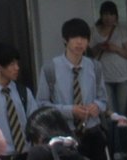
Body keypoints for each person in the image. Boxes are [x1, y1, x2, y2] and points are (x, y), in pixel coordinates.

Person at [35, 19, 109, 160]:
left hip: (92, 131)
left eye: (84, 38)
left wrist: (97, 107)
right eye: (75, 37)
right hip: (64, 134)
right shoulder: (50, 68)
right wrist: (70, 111)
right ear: (65, 40)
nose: (80, 42)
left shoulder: (95, 67)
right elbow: (42, 105)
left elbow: (103, 99)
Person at [89, 3, 127, 121]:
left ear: (116, 16)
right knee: (109, 113)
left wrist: (115, 48)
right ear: (101, 15)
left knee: (122, 113)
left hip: (123, 76)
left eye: (111, 14)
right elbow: (89, 54)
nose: (108, 18)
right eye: (105, 14)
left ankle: (121, 139)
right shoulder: (93, 31)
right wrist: (99, 47)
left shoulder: (122, 30)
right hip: (104, 77)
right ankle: (111, 139)